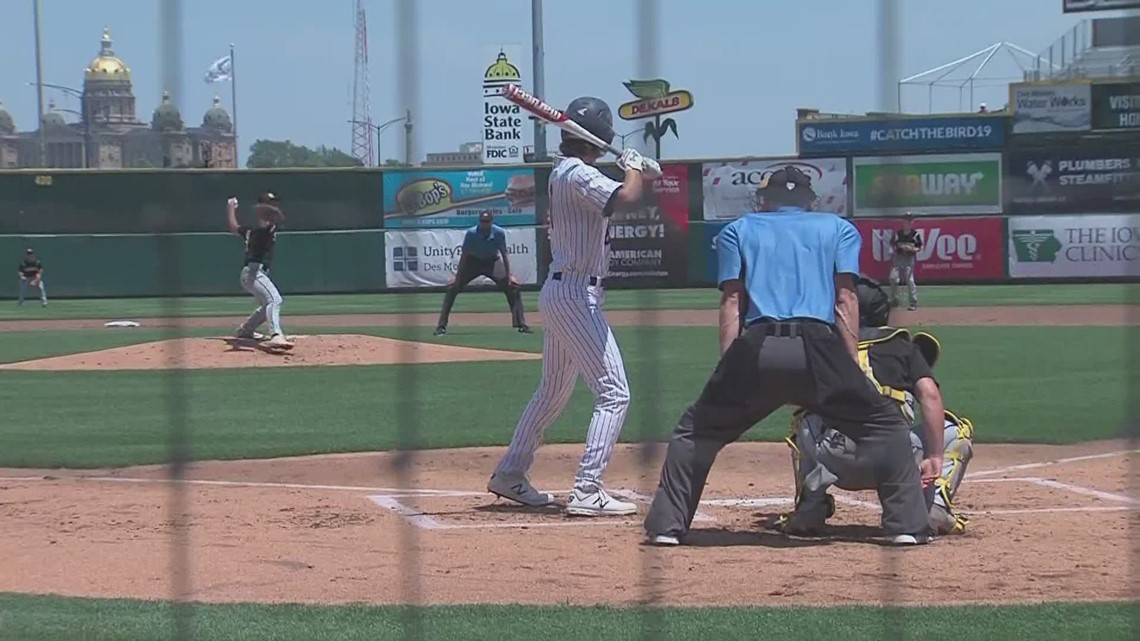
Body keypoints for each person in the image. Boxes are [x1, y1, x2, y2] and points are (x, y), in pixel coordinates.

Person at [643, 165, 939, 546]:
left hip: (759, 343)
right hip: (819, 346)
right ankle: (906, 527)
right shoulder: (838, 229)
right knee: (886, 428)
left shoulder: (738, 230)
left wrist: (731, 365)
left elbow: (732, 301)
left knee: (694, 433)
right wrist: (849, 366)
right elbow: (846, 299)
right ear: (810, 200)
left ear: (764, 199)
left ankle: (668, 528)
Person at [487, 96, 663, 517]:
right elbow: (626, 200)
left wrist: (636, 174)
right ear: (598, 138)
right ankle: (588, 487)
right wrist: (636, 170)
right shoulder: (577, 174)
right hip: (574, 296)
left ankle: (510, 473)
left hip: (566, 292)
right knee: (615, 393)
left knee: (552, 391)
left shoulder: (568, 171)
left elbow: (622, 192)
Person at [778, 275, 974, 537]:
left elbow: (790, 395)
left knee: (803, 420)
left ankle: (809, 509)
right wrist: (935, 456)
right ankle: (935, 505)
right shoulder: (903, 347)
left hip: (837, 461)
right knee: (957, 429)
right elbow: (930, 396)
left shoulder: (826, 348)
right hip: (897, 458)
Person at [434, 211, 530, 335]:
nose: (485, 224)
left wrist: (509, 276)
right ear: (479, 221)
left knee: (513, 287)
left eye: (487, 222)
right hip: (473, 261)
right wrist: (457, 277)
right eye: (483, 221)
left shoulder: (498, 232)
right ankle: (441, 326)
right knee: (452, 288)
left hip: (492, 261)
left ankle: (521, 324)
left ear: (491, 222)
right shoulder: (471, 233)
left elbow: (504, 253)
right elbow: (464, 255)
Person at [228, 193, 292, 349]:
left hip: (252, 274)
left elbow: (234, 227)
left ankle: (246, 330)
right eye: (269, 205)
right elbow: (276, 220)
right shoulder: (263, 228)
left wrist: (230, 209)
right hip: (254, 273)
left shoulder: (254, 229)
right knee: (275, 300)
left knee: (267, 304)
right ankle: (276, 335)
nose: (273, 208)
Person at [889, 212, 922, 310]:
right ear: (903, 221)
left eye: (909, 220)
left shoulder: (915, 234)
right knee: (893, 279)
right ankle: (894, 300)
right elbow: (893, 245)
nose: (907, 222)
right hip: (898, 258)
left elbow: (919, 247)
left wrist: (912, 249)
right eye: (906, 219)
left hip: (909, 258)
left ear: (912, 222)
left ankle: (913, 303)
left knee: (910, 280)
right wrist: (900, 247)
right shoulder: (898, 234)